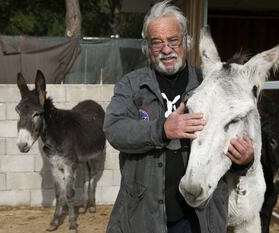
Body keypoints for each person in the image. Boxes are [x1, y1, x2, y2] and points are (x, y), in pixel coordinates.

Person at [103, 1, 254, 233]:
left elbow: (230, 136)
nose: (166, 49)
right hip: (143, 218)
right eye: (157, 42)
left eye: (173, 40)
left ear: (185, 41)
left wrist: (243, 160)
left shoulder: (210, 84)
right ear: (147, 47)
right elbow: (114, 129)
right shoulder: (132, 85)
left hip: (198, 219)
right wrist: (161, 130)